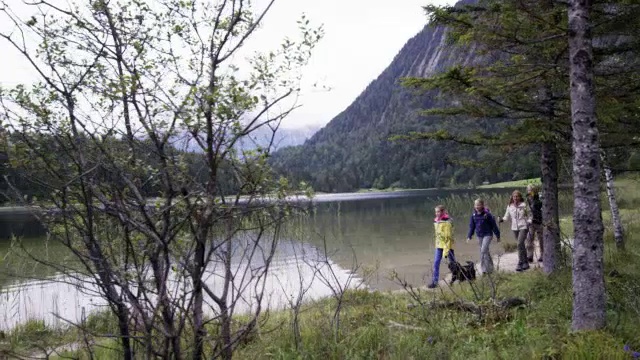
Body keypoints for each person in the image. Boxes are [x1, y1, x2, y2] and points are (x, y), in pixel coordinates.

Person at [500, 190, 532, 271]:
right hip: (514, 228)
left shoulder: (524, 205)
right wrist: (501, 220)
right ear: (512, 197)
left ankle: (520, 262)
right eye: (514, 196)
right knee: (521, 245)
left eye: (517, 196)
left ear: (520, 197)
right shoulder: (510, 206)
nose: (515, 198)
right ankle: (526, 263)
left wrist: (529, 221)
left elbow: (530, 215)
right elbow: (506, 217)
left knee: (519, 243)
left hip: (523, 226)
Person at [466, 199, 500, 275]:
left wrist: (498, 235)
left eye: (478, 205)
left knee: (483, 251)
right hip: (480, 236)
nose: (477, 206)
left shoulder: (487, 215)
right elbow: (472, 227)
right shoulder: (474, 215)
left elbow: (493, 226)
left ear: (482, 205)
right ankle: (490, 269)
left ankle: (485, 270)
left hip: (488, 235)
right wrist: (469, 236)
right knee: (485, 252)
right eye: (475, 205)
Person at [428, 205, 456, 289]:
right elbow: (438, 235)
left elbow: (448, 237)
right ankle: (434, 282)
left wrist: (446, 251)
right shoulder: (436, 221)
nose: (437, 213)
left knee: (453, 264)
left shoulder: (447, 222)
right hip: (439, 245)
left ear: (443, 212)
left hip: (448, 246)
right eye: (436, 212)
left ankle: (456, 277)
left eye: (438, 211)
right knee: (436, 263)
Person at [526, 184, 543, 262]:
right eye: (528, 190)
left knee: (541, 239)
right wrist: (528, 219)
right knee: (529, 239)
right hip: (531, 222)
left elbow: (541, 209)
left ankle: (543, 255)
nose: (529, 191)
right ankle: (530, 256)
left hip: (540, 222)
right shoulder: (528, 199)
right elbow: (529, 211)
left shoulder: (540, 198)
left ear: (534, 190)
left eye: (530, 190)